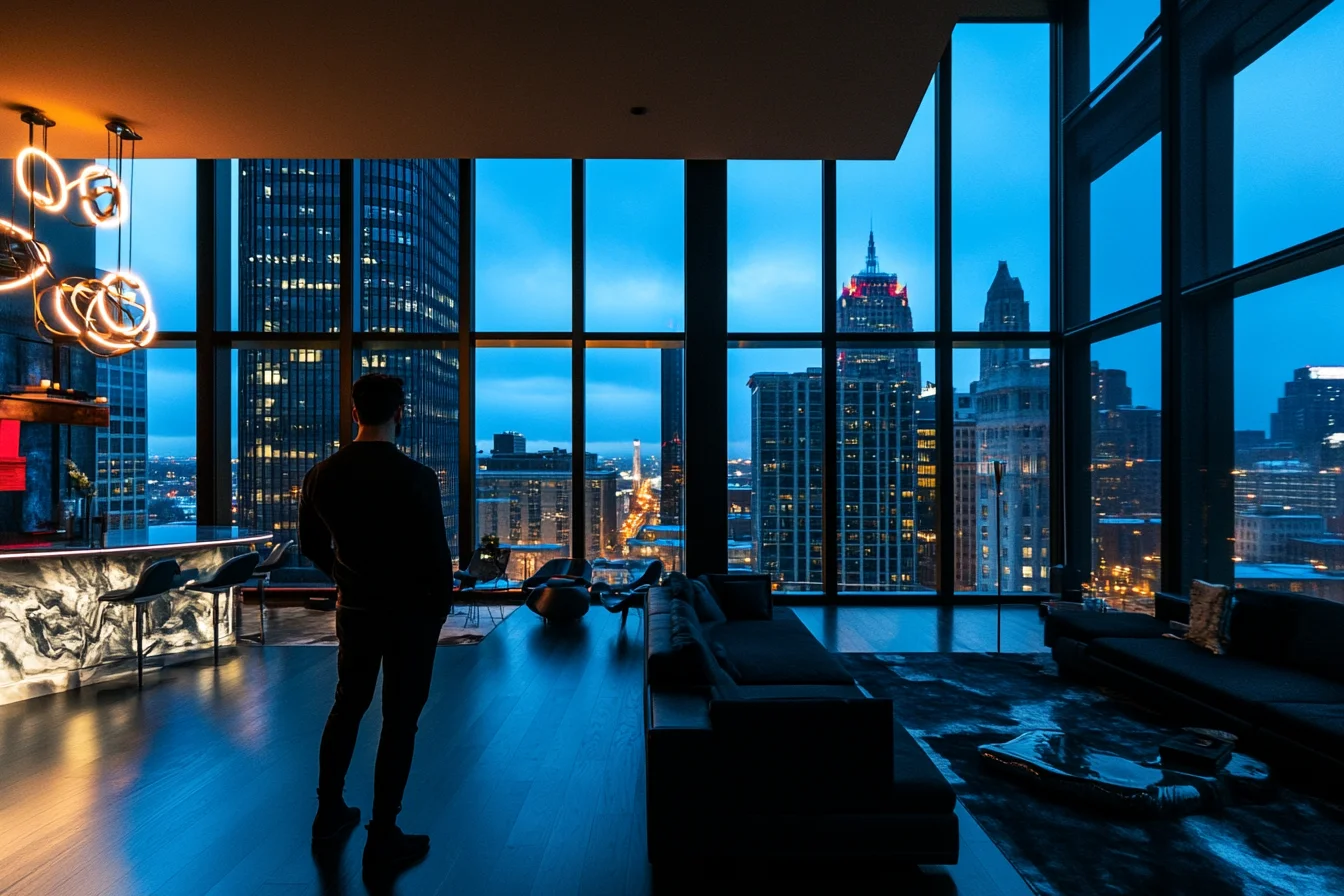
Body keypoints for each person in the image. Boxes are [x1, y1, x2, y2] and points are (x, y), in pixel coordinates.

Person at [299, 373, 454, 871]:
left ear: (354, 411)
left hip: (357, 610)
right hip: (411, 614)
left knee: (347, 706)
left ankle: (329, 812)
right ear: (400, 413)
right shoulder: (417, 477)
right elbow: (436, 556)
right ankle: (383, 833)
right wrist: (439, 606)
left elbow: (311, 547)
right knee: (400, 720)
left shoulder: (322, 474)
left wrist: (345, 578)